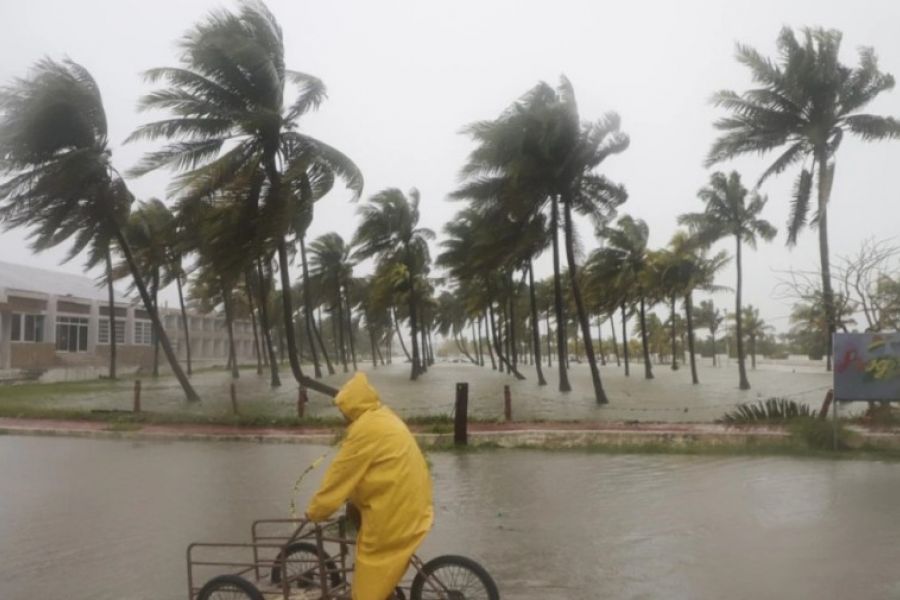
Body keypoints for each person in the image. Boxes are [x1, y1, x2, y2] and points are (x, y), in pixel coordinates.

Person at [306, 372, 434, 600]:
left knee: (370, 570)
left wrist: (316, 512)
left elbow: (339, 477)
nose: (343, 415)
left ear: (352, 406)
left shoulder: (364, 431)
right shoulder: (384, 416)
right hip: (415, 501)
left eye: (343, 409)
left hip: (395, 512)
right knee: (376, 549)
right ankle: (388, 590)